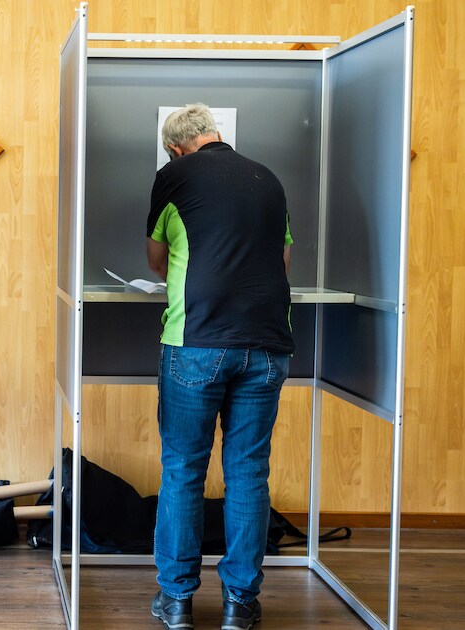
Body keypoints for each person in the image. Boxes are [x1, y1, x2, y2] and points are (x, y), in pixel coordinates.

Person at [145, 104, 294, 630]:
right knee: (248, 473)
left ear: (175, 147)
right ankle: (239, 604)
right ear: (217, 135)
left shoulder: (172, 176)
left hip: (197, 339)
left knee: (184, 468)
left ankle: (178, 601)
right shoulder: (270, 180)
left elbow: (156, 259)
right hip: (268, 344)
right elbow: (281, 261)